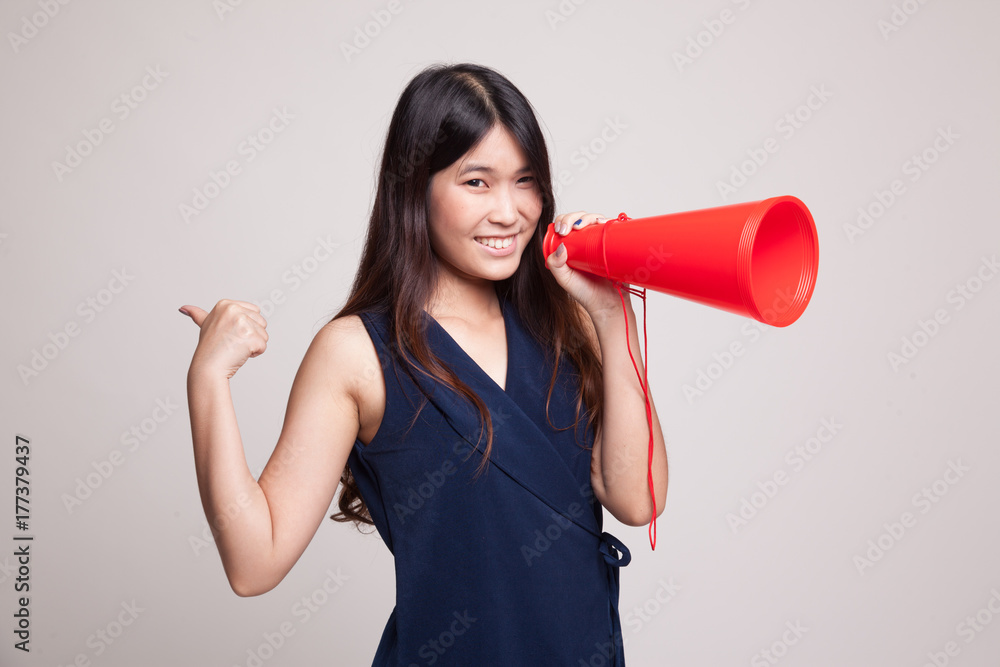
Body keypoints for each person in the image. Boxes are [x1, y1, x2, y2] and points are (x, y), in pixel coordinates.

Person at [180, 62, 667, 666]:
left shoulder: (569, 324)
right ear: (415, 188)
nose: (510, 212)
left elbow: (639, 501)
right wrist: (208, 381)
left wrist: (613, 319)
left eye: (526, 181)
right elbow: (254, 563)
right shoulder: (357, 352)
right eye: (476, 182)